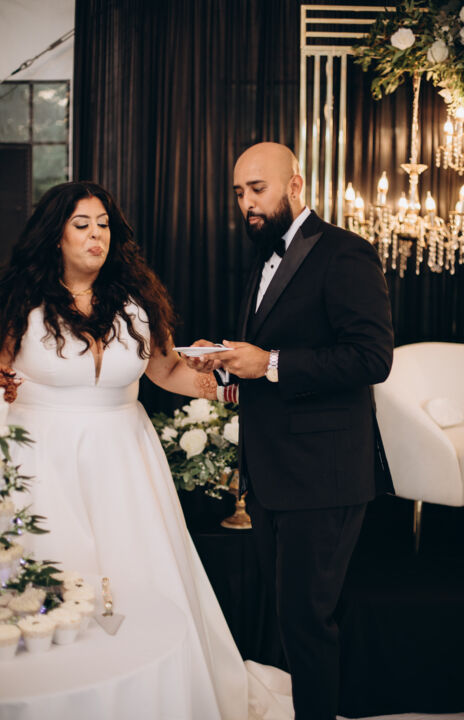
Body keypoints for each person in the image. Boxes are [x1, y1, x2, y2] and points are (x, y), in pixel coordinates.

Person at [0, 181, 293, 720]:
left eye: (104, 225)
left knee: (143, 589)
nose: (96, 235)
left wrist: (229, 386)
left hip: (126, 462)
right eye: (82, 225)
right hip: (42, 464)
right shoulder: (16, 303)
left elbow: (167, 371)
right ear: (55, 235)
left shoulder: (135, 301)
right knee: (56, 588)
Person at [186, 142, 394, 720]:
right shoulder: (262, 258)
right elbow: (270, 356)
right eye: (239, 193)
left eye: (257, 189)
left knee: (308, 623)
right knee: (294, 620)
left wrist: (270, 362)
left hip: (323, 476)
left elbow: (372, 358)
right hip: (274, 475)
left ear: (296, 186)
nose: (246, 203)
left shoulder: (346, 252)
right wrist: (225, 361)